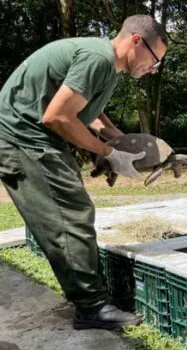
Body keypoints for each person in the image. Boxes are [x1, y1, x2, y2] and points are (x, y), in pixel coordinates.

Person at [0, 15, 167, 330]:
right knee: (71, 213)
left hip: (32, 136)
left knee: (72, 207)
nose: (153, 67)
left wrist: (118, 141)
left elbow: (88, 113)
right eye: (154, 58)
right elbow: (58, 117)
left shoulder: (105, 65)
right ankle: (91, 307)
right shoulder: (98, 59)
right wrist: (107, 153)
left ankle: (87, 298)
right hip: (24, 138)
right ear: (135, 41)